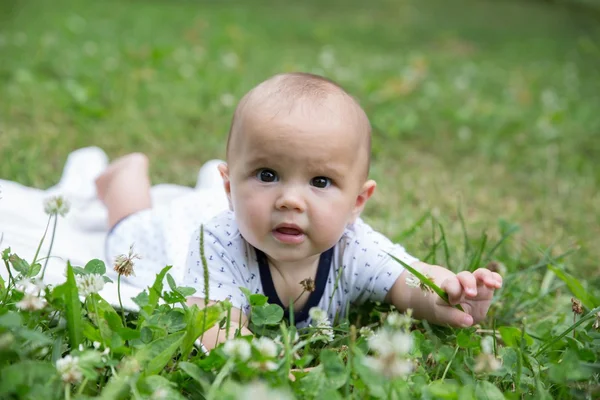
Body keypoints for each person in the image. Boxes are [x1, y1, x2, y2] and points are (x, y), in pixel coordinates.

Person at [181, 72, 503, 350]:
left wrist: (443, 294)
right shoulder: (218, 243)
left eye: (320, 181)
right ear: (230, 189)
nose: (290, 200)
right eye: (267, 175)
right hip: (173, 231)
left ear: (357, 203)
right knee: (133, 221)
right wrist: (277, 369)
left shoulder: (353, 247)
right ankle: (130, 174)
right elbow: (216, 327)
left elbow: (408, 280)